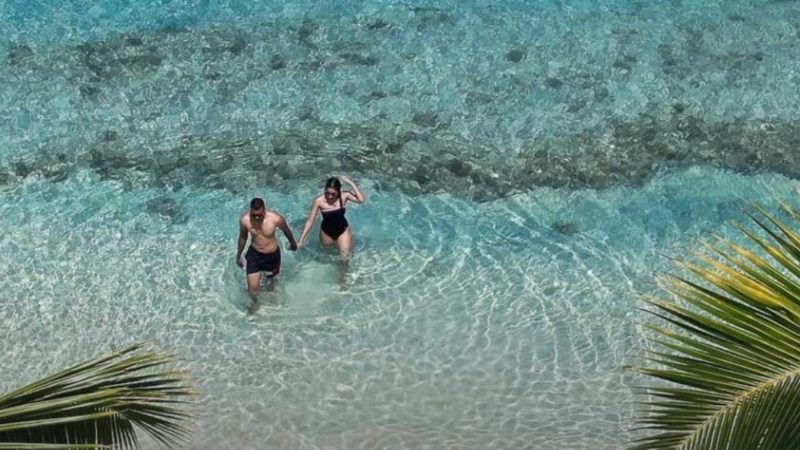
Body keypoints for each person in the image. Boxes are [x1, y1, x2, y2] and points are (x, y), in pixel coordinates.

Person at [237, 197, 298, 299]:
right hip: (254, 256)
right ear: (250, 211)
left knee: (271, 283)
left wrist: (293, 244)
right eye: (254, 215)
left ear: (264, 210)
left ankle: (271, 307)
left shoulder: (275, 219)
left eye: (259, 215)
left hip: (272, 256)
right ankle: (254, 308)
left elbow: (286, 231)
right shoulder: (245, 220)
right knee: (253, 290)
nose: (256, 218)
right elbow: (243, 237)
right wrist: (239, 255)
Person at [298, 175, 366, 259]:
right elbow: (310, 220)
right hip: (326, 233)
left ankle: (344, 272)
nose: (329, 196)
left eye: (333, 194)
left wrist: (350, 182)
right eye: (327, 193)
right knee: (328, 257)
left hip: (343, 230)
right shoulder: (319, 201)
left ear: (338, 191)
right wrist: (301, 240)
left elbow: (361, 200)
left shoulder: (344, 196)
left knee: (345, 258)